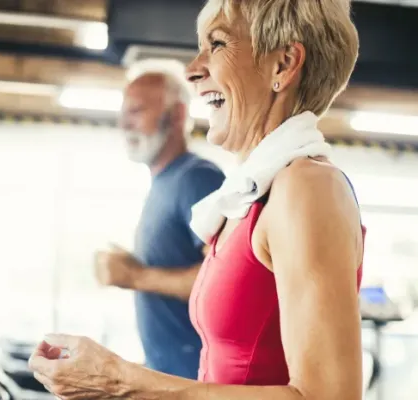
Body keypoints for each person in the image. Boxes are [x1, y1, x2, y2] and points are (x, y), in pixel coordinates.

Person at [29, 1, 366, 399]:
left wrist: (121, 381)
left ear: (283, 65)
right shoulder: (254, 198)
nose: (193, 69)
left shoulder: (307, 188)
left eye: (217, 44)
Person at [93, 60, 226, 379]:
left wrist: (135, 276)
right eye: (124, 114)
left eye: (137, 111)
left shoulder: (198, 179)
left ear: (178, 115)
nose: (125, 124)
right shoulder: (164, 183)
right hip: (168, 375)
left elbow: (226, 281)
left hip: (195, 382)